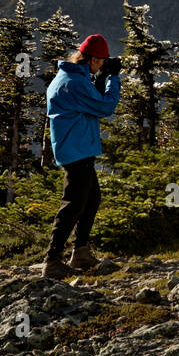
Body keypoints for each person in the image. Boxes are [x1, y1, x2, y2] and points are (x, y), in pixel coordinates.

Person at [41, 34, 121, 279]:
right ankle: (52, 260)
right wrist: (113, 79)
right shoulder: (75, 83)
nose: (102, 65)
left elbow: (90, 102)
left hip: (74, 147)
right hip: (76, 149)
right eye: (101, 62)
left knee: (91, 199)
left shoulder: (70, 77)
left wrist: (99, 77)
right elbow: (105, 107)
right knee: (73, 204)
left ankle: (81, 251)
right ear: (94, 59)